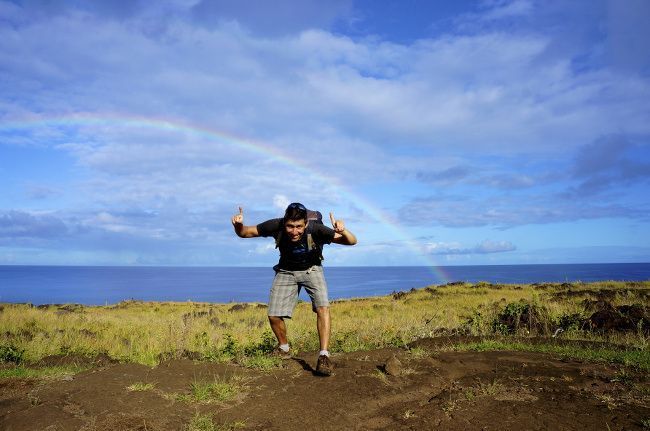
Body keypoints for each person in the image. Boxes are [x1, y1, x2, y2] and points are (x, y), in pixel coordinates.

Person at [231, 202, 357, 376]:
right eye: (290, 226)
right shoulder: (275, 225)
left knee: (323, 308)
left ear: (305, 223)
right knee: (273, 315)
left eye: (299, 226)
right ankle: (284, 348)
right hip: (286, 271)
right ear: (285, 222)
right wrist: (238, 225)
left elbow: (352, 241)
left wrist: (343, 231)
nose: (294, 231)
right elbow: (245, 233)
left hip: (312, 269)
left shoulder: (317, 229)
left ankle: (324, 355)